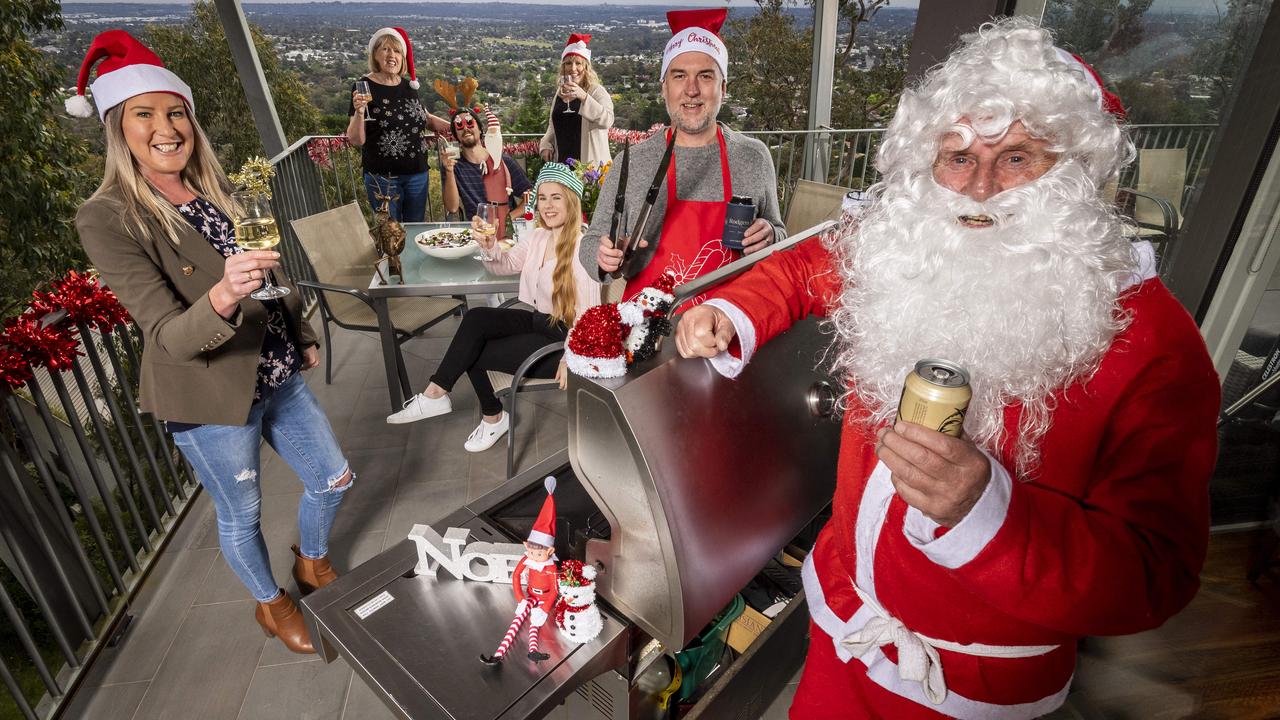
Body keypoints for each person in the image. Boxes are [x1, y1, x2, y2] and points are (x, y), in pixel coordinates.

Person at [674, 19, 1219, 719]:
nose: (980, 188)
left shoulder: (1151, 342)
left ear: (1078, 171)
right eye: (957, 157)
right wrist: (734, 311)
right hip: (843, 628)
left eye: (1018, 157)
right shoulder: (908, 247)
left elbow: (1156, 573)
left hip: (966, 693)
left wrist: (990, 518)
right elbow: (808, 265)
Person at [69, 30, 354, 656]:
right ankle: (272, 606)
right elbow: (169, 335)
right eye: (143, 114)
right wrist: (224, 293)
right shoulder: (108, 215)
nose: (165, 127)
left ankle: (312, 562)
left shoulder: (211, 188)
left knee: (333, 478)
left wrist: (299, 330)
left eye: (175, 112)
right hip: (208, 397)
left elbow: (269, 272)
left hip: (274, 371)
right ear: (118, 126)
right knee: (241, 514)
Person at [387, 163, 601, 451]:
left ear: (572, 201)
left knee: (474, 352)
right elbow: (507, 265)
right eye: (543, 198)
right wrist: (488, 246)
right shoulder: (538, 237)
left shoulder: (583, 248)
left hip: (566, 341)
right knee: (476, 319)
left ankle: (492, 416)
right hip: (539, 321)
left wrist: (570, 357)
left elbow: (592, 315)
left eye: (556, 197)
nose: (547, 206)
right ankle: (435, 393)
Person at [583, 8, 784, 304]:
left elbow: (779, 233)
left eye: (705, 76)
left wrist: (770, 236)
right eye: (679, 76)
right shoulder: (634, 161)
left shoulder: (752, 156)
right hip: (648, 329)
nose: (691, 90)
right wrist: (604, 257)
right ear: (665, 88)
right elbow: (591, 241)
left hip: (731, 321)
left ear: (723, 87)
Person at [346, 27, 450, 222]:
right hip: (383, 179)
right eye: (385, 49)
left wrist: (461, 126)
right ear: (375, 55)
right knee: (389, 234)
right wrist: (360, 112)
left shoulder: (408, 86)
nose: (391, 55)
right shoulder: (364, 86)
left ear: (402, 57)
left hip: (418, 175)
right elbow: (356, 139)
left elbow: (426, 119)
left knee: (414, 229)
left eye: (396, 51)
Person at [481, 477, 560, 665]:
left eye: (538, 553)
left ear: (550, 551)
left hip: (543, 598)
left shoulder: (551, 567)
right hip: (530, 595)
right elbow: (516, 576)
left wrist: (545, 608)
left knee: (535, 623)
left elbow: (555, 590)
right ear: (526, 546)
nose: (532, 556)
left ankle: (533, 651)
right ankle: (498, 655)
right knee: (517, 621)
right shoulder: (527, 558)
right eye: (530, 551)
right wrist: (520, 598)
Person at [441, 105, 533, 241]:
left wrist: (508, 218)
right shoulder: (454, 166)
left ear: (480, 129)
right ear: (456, 136)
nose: (466, 128)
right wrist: (449, 171)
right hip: (477, 232)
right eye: (459, 126)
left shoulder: (502, 161)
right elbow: (452, 207)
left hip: (506, 232)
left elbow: (530, 196)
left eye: (470, 123)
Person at [539, 34, 615, 166]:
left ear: (586, 68)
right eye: (568, 63)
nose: (573, 68)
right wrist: (546, 143)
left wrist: (584, 97)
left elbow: (608, 120)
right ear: (563, 67)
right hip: (563, 166)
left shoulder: (597, 91)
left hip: (590, 169)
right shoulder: (560, 91)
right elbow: (553, 123)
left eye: (578, 63)